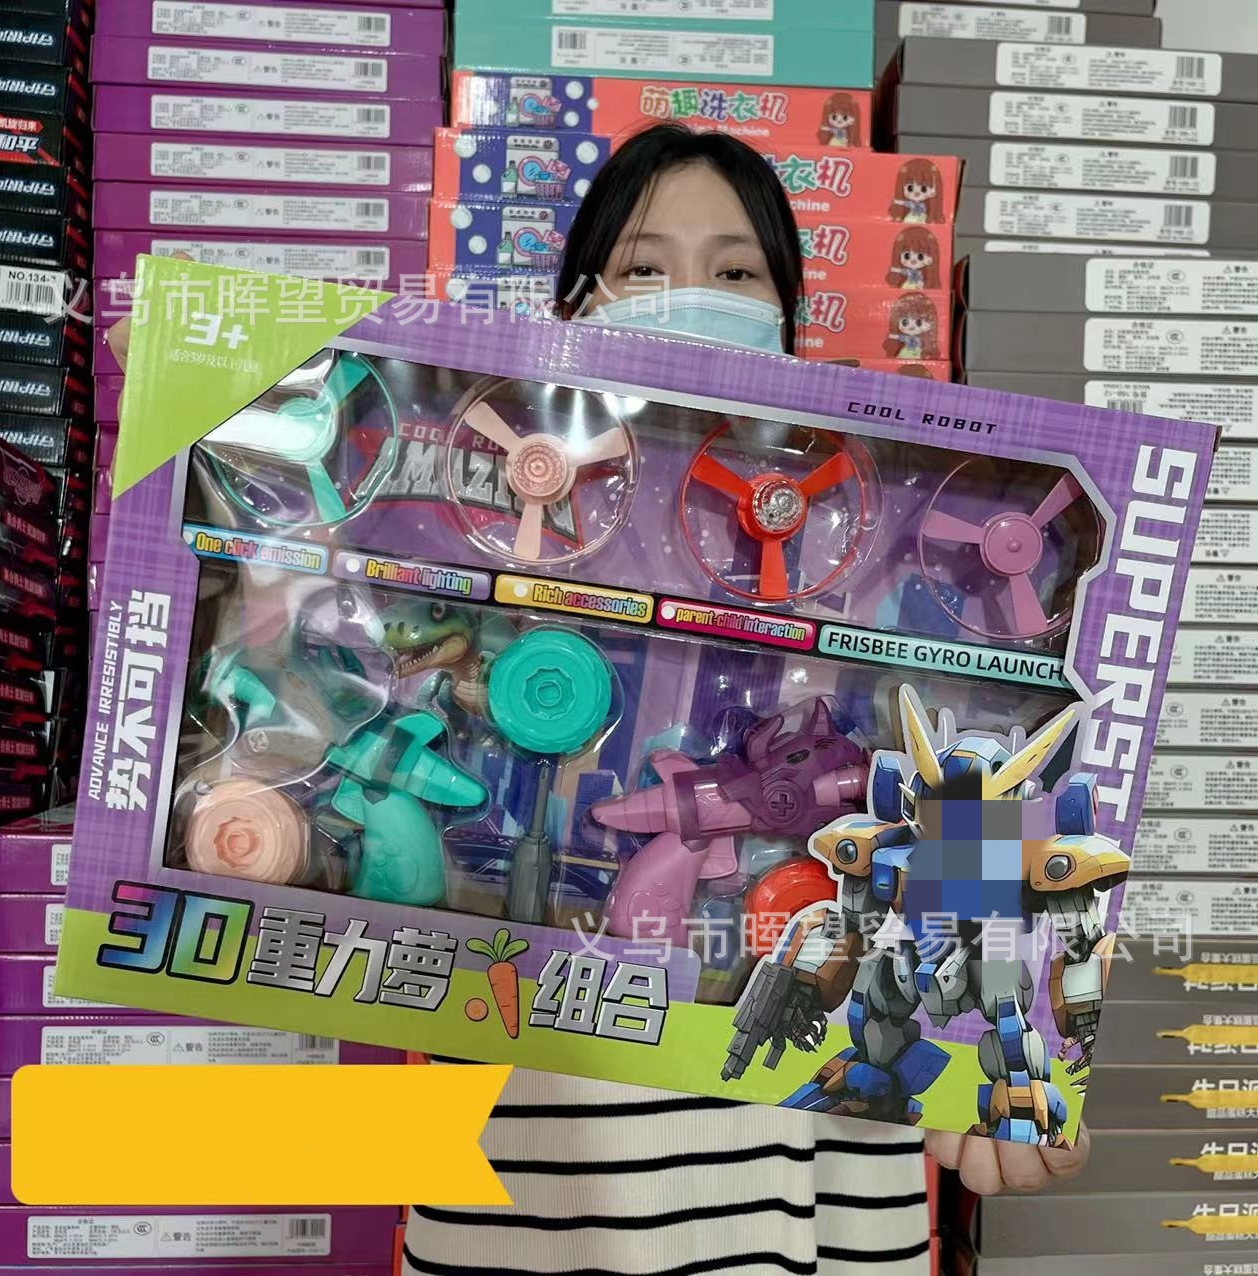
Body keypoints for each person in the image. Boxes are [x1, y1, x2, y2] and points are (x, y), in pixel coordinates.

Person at [106, 125, 1088, 1276]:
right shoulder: (439, 539)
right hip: (524, 1177)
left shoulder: (895, 578)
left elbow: (977, 819)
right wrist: (196, 400)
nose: (689, 296)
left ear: (790, 323)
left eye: (734, 271)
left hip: (810, 1203)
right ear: (571, 311)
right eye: (642, 266)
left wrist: (1010, 1060)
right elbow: (284, 743)